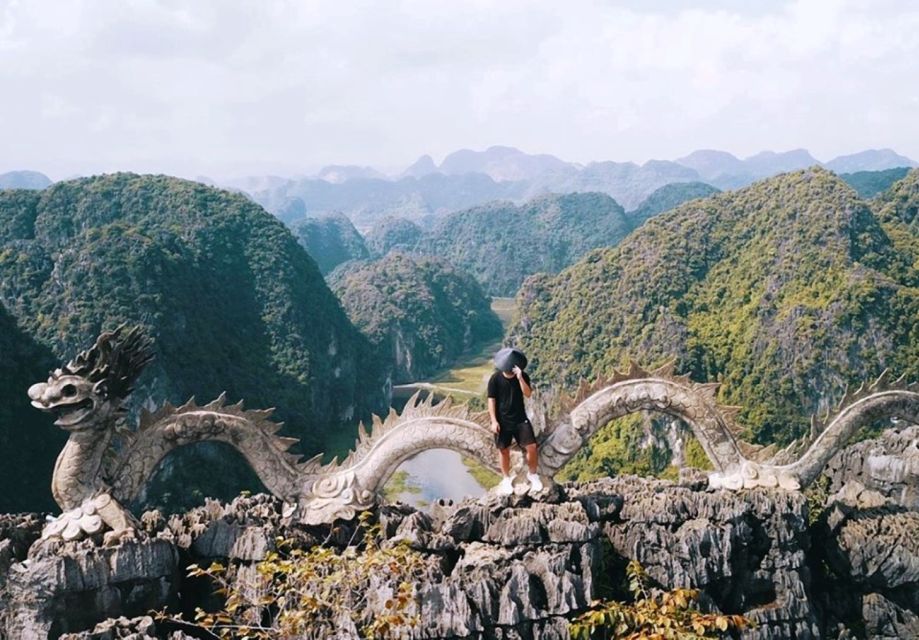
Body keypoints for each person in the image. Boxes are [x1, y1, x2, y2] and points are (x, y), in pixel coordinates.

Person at [487, 348, 543, 495]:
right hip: (502, 420)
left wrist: (520, 378)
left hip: (520, 419)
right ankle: (506, 478)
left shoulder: (522, 376)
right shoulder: (495, 379)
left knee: (531, 446)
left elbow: (528, 394)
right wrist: (494, 421)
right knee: (503, 450)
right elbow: (491, 400)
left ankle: (533, 474)